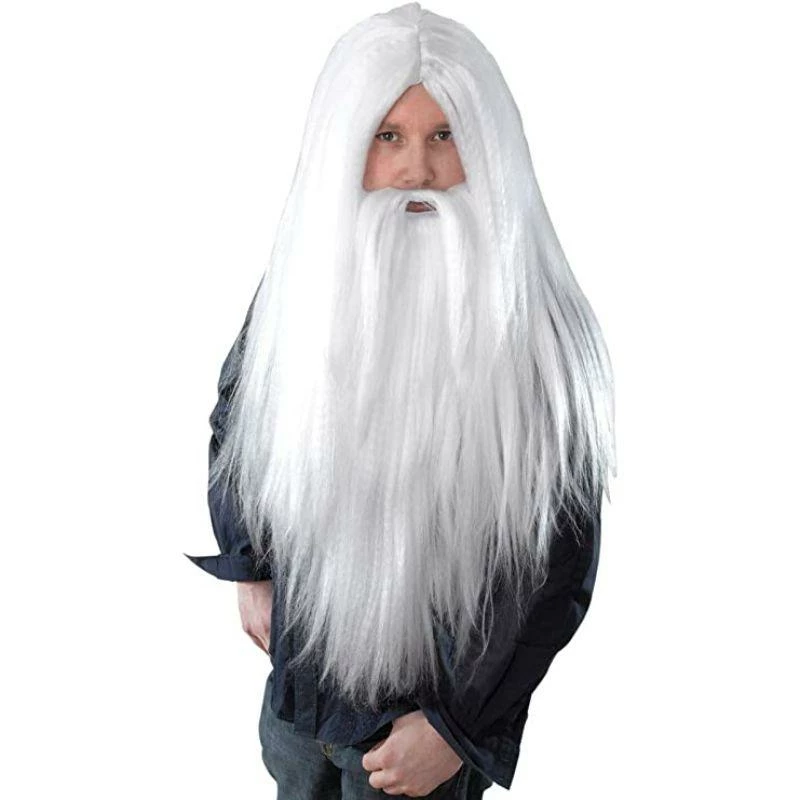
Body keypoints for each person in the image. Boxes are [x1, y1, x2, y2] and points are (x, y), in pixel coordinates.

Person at [184, 3, 615, 797]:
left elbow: (558, 561)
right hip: (299, 692)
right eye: (389, 137)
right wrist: (250, 565)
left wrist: (456, 727)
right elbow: (239, 419)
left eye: (444, 136)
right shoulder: (302, 285)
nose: (417, 170)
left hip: (423, 721)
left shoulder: (543, 331)